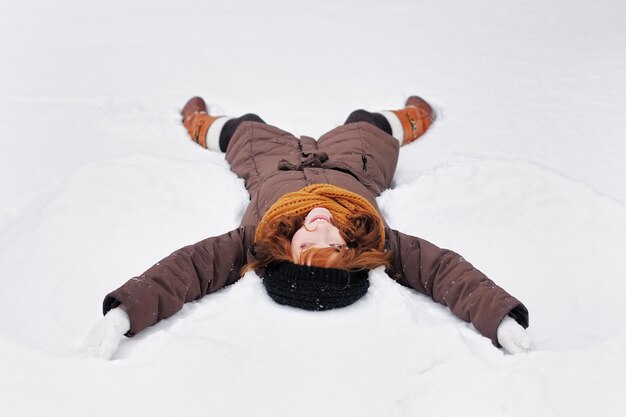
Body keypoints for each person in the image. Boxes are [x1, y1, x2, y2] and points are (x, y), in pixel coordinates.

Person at [81, 95, 533, 359]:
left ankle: (199, 126)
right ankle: (407, 120)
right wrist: (500, 317)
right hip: (354, 162)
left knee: (247, 125)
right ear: (351, 247)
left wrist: (124, 311)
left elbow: (190, 269)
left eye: (307, 242)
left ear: (283, 249)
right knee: (366, 121)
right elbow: (441, 271)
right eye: (331, 241)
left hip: (269, 162)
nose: (319, 227)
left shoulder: (254, 239)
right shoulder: (375, 236)